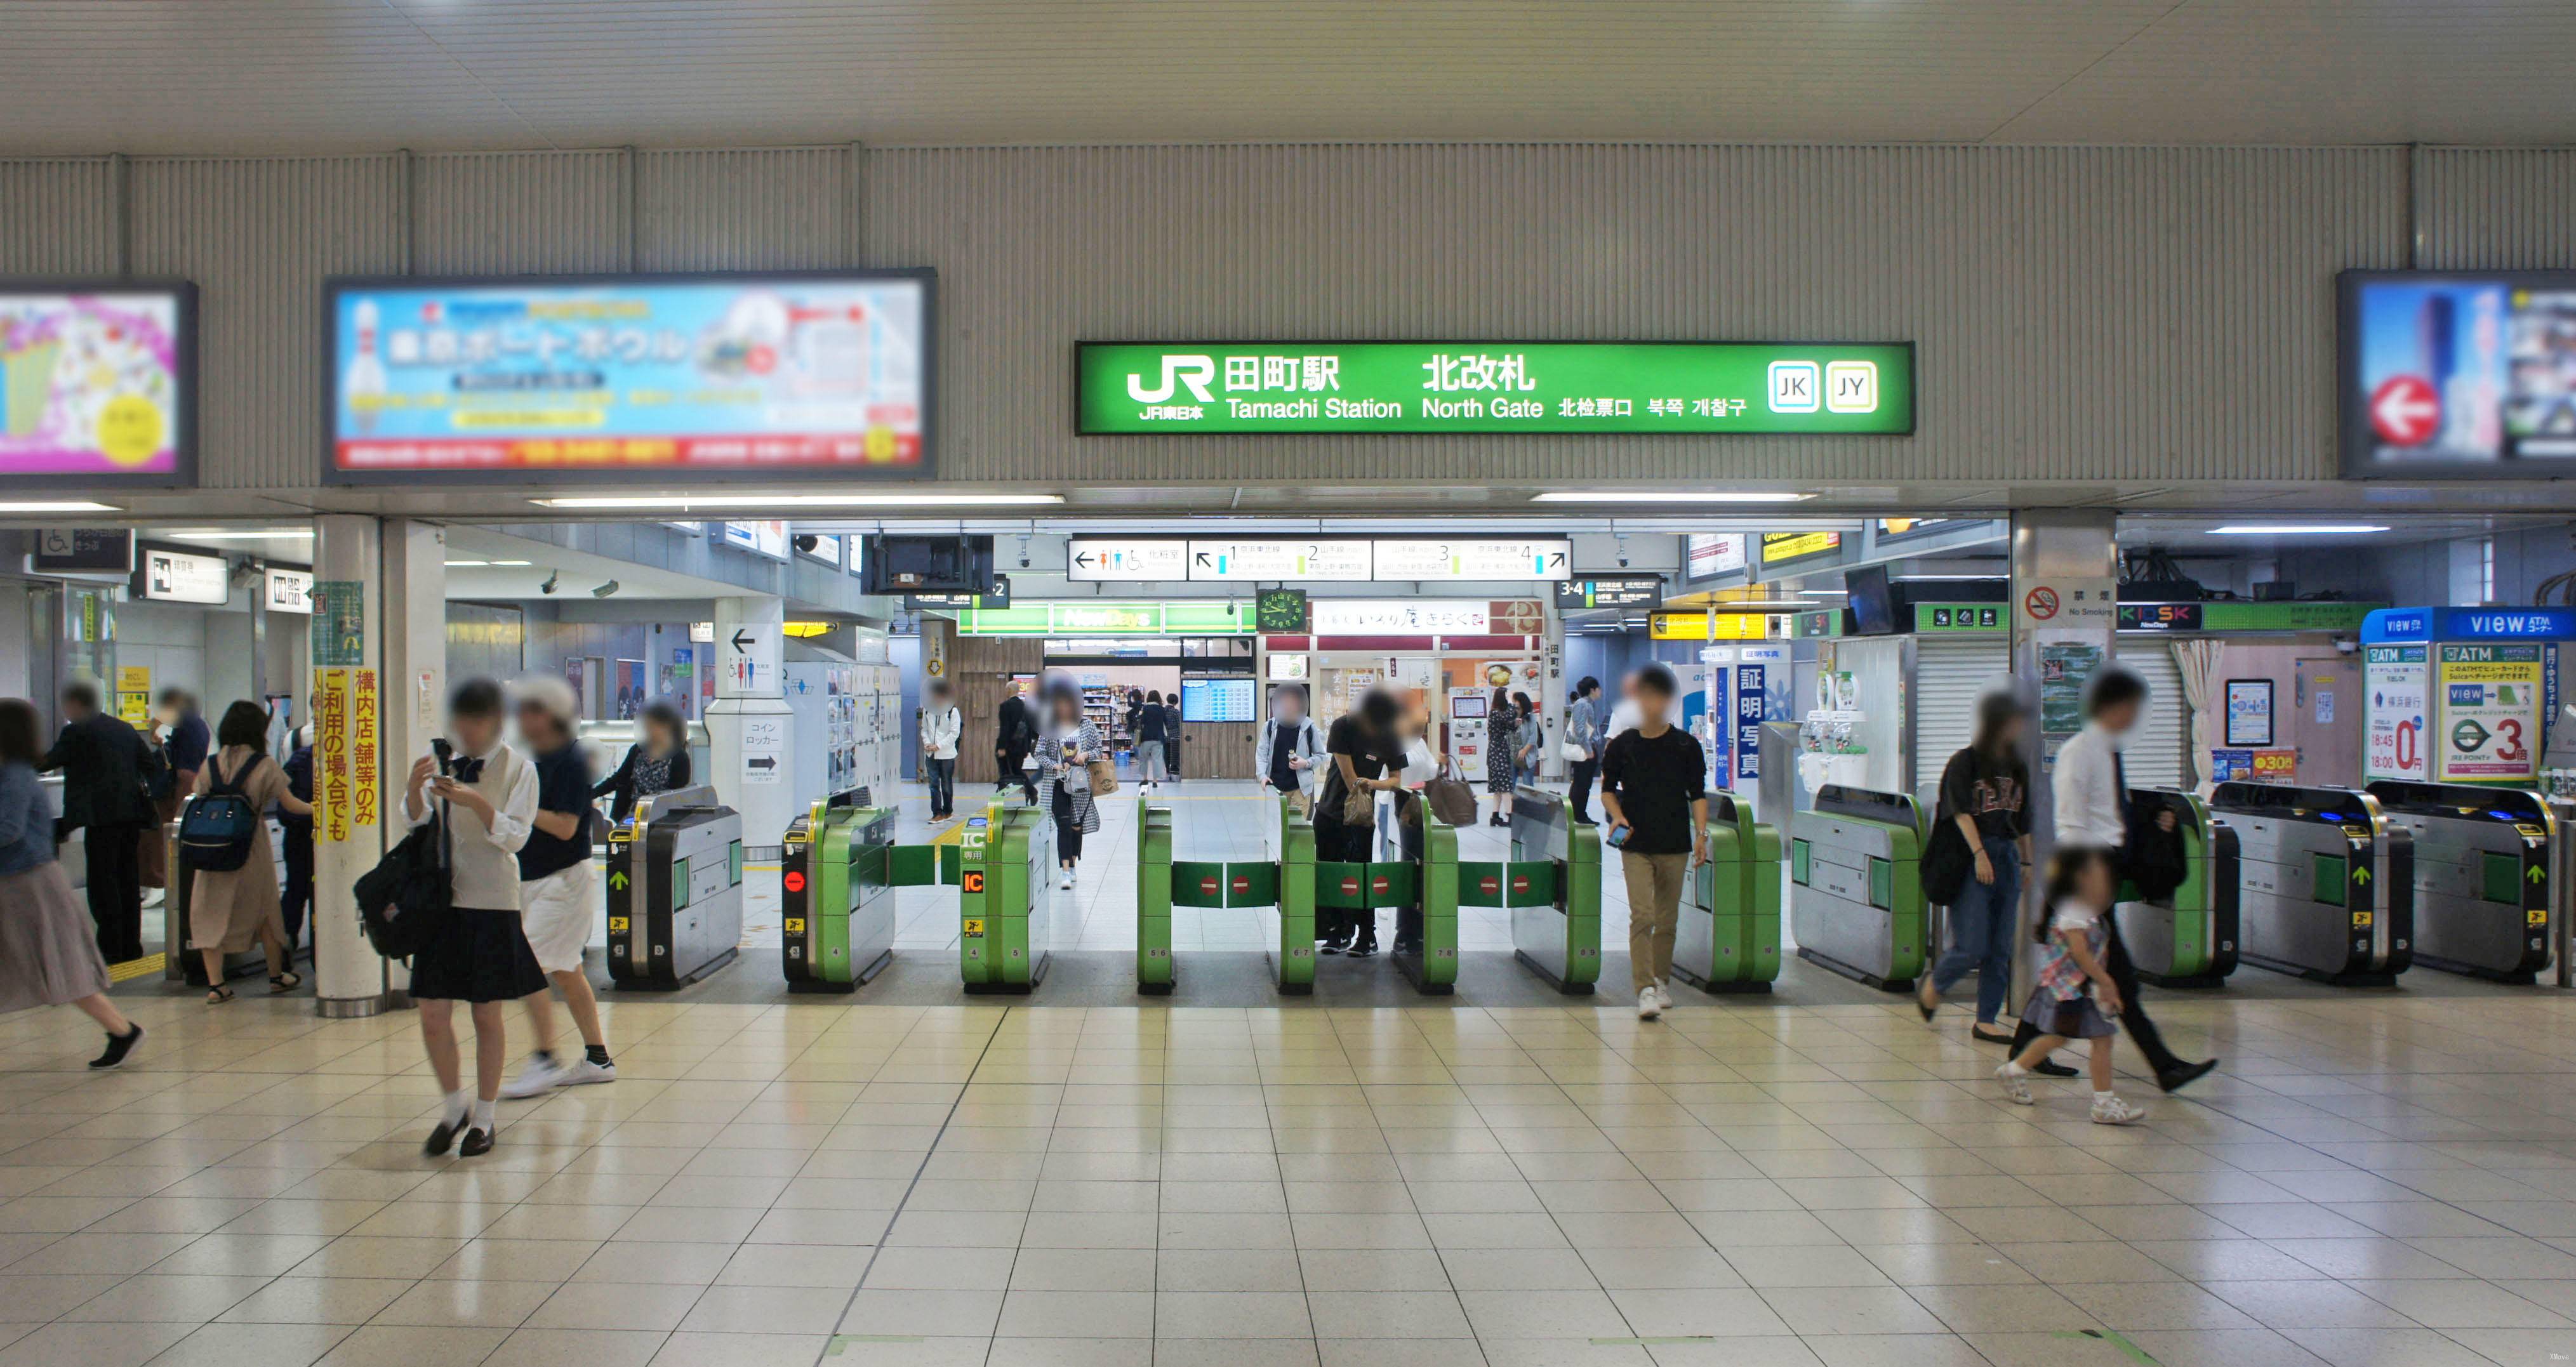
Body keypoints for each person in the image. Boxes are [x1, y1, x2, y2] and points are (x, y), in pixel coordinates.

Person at [2005, 667, 2219, 1093]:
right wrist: (2085, 878)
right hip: (2087, 869)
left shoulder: (2109, 751)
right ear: (2112, 707)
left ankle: (2022, 1056)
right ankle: (2164, 1068)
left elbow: (2113, 813)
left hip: (2102, 867)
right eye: (2131, 707)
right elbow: (2071, 822)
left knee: (2074, 975)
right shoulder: (2079, 752)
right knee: (2110, 976)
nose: (2134, 716)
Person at [403, 678, 550, 1158]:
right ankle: (452, 1108)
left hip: (492, 904)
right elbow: (417, 824)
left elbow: (517, 838)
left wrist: (477, 803)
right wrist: (413, 790)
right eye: (460, 722)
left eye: (476, 722)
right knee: (432, 1013)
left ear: (495, 723)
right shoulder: (442, 763)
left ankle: (484, 1117)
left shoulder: (519, 769)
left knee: (487, 1013)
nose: (466, 731)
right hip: (441, 904)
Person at [0, 698, 143, 1069]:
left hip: (27, 884)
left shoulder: (15, 774)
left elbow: (9, 830)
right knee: (54, 964)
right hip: (21, 880)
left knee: (62, 964)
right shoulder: (12, 771)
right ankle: (122, 1029)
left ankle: (123, 1030)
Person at [500, 678, 618, 1100]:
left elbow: (567, 827)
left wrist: (522, 811)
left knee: (529, 965)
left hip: (564, 880)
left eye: (526, 712)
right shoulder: (529, 757)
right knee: (567, 971)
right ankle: (597, 1058)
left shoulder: (571, 759)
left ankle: (545, 1058)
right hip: (533, 878)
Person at [1995, 848, 2146, 1125]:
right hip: (2065, 990)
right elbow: (2080, 953)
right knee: (2088, 1039)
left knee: (2069, 1038)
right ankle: (2102, 1103)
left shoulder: (2087, 909)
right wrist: (2106, 982)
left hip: (2072, 989)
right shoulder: (2074, 911)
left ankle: (2015, 1070)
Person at [1918, 692, 2032, 1043]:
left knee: (2001, 948)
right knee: (1971, 945)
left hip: (2008, 858)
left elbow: (2024, 822)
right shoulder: (1965, 762)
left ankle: (1986, 1019)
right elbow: (1959, 812)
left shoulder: (2018, 766)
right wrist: (1980, 853)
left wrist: (2026, 861)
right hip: (1972, 858)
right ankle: (1934, 985)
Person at [1599, 665, 1708, 1020]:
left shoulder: (1686, 746)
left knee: (1667, 919)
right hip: (1636, 844)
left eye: (1658, 697)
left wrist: (1701, 835)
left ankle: (1662, 981)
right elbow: (1607, 791)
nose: (1652, 703)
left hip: (1675, 843)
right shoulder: (1623, 746)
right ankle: (1644, 988)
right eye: (1645, 696)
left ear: (1668, 701)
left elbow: (1698, 795)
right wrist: (1616, 815)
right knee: (1642, 915)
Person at [187, 701, 306, 1003]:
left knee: (209, 913)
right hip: (250, 847)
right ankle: (277, 976)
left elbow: (199, 795)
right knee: (265, 911)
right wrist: (326, 810)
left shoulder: (210, 764)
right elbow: (291, 805)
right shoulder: (264, 765)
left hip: (212, 849)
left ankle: (217, 985)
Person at [41, 681, 162, 963]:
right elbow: (148, 764)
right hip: (131, 815)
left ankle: (110, 948)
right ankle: (132, 946)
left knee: (103, 882)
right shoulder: (123, 728)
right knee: (127, 880)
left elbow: (48, 762)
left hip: (100, 817)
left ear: (75, 705)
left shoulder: (75, 731)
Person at [1317, 687, 1406, 957]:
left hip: (1361, 818)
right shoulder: (1343, 727)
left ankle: (1367, 936)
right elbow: (1347, 776)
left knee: (1361, 875)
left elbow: (1396, 780)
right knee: (1331, 873)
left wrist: (1373, 783)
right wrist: (1363, 784)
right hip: (1332, 812)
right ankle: (1337, 932)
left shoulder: (1390, 736)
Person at [1032, 677, 1102, 891]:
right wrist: (1055, 766)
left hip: (1081, 784)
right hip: (1058, 784)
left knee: (1076, 827)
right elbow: (1039, 753)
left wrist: (1087, 754)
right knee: (1063, 826)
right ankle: (1064, 871)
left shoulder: (1088, 726)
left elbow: (1099, 750)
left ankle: (1072, 865)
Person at [140, 687, 208, 906]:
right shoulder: (200, 725)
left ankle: (162, 881)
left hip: (182, 781)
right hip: (195, 778)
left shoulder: (185, 718)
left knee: (168, 829)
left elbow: (157, 722)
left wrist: (153, 734)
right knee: (181, 832)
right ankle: (175, 880)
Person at [594, 699, 691, 824]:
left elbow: (677, 796)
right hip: (631, 817)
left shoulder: (679, 758)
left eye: (652, 726)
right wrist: (592, 794)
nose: (648, 730)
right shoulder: (638, 750)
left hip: (662, 820)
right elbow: (619, 778)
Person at [279, 710, 315, 953]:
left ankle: (284, 946)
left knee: (295, 890)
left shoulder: (293, 741)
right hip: (319, 833)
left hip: (296, 834)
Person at [1257, 685, 1324, 816]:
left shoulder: (1309, 728)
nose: (1288, 705)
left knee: (1298, 830)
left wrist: (1306, 763)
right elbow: (1261, 754)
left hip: (1301, 790)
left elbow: (1321, 755)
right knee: (1278, 833)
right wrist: (1262, 776)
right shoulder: (1270, 727)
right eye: (1284, 701)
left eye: (1292, 701)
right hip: (1276, 788)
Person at [920, 681, 962, 822]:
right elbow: (924, 730)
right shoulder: (927, 710)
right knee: (933, 784)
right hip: (930, 754)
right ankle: (937, 813)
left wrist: (939, 745)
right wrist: (927, 743)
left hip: (946, 754)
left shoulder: (953, 712)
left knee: (946, 784)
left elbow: (954, 734)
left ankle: (948, 811)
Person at [1565, 678, 1604, 824]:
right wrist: (1588, 750)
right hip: (1585, 751)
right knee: (1582, 784)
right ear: (1592, 690)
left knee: (1582, 783)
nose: (1600, 691)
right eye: (1598, 688)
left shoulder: (1588, 704)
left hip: (1588, 749)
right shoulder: (1583, 705)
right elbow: (1580, 729)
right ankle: (1579, 815)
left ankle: (1577, 813)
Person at [995, 680, 1038, 805]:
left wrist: (1002, 747)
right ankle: (1029, 791)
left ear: (1009, 690)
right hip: (1022, 747)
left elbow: (1005, 729)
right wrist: (1027, 747)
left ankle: (1004, 794)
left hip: (1008, 747)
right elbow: (1031, 729)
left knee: (1006, 771)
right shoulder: (1026, 707)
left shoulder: (1005, 706)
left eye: (1006, 689)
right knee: (1017, 770)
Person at [1483, 685, 1518, 826]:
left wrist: (1515, 724)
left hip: (1495, 753)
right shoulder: (1498, 713)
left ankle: (1495, 816)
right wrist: (1511, 702)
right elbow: (1510, 716)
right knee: (1505, 787)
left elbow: (1509, 724)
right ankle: (1511, 816)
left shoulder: (1495, 713)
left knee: (1498, 788)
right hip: (1498, 753)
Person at [1135, 690, 1171, 793]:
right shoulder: (1161, 709)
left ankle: (1145, 779)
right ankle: (1155, 781)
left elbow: (1140, 720)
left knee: (1144, 759)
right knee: (1157, 759)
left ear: (1148, 698)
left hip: (1145, 737)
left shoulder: (1144, 708)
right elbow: (1166, 723)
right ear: (1158, 698)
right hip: (1158, 738)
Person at [1162, 692, 1185, 781]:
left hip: (1165, 736)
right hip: (1175, 738)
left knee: (1167, 754)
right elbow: (1180, 725)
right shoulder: (1176, 712)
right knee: (1175, 754)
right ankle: (1175, 770)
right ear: (1175, 702)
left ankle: (1167, 770)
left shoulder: (1163, 711)